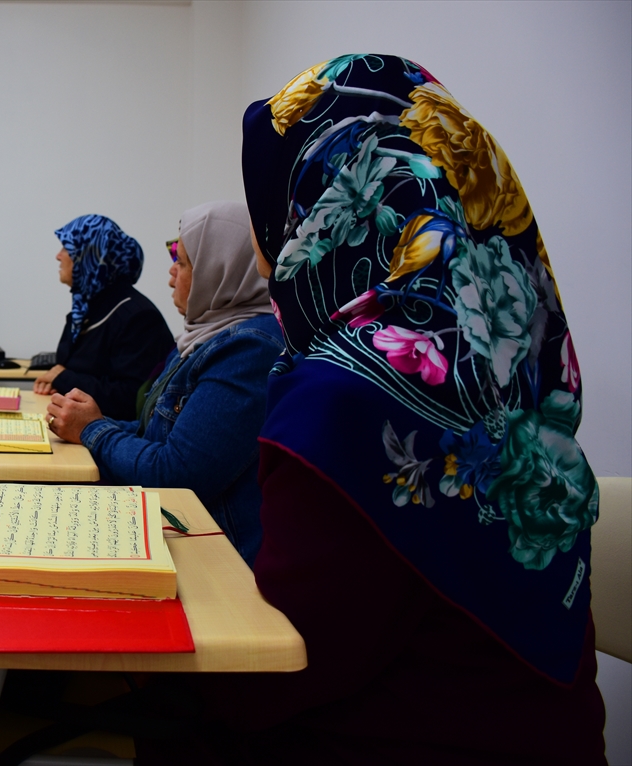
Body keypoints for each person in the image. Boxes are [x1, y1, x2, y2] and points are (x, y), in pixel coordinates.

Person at [129, 55, 607, 764]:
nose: (270, 247)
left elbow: (267, 682)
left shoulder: (344, 396)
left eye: (281, 204)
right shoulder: (506, 353)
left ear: (329, 205)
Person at [44, 201, 282, 566]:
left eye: (183, 262)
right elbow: (152, 433)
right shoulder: (201, 338)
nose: (171, 273)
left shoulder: (249, 349)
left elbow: (176, 475)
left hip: (215, 559)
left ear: (220, 270)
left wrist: (91, 429)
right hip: (177, 531)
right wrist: (83, 424)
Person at [32, 215, 174, 421]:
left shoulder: (138, 317)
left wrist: (64, 379)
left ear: (90, 256)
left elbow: (130, 398)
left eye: (66, 248)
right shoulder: (85, 310)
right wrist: (59, 379)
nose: (58, 256)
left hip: (111, 437)